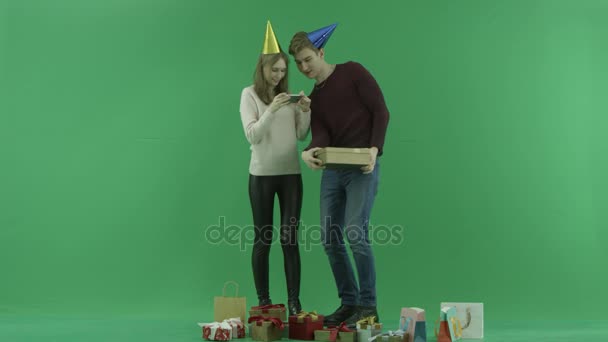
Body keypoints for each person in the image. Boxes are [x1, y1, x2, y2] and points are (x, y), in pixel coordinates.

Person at [288, 23, 390, 326]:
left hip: (362, 167)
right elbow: (321, 135)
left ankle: (368, 306)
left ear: (321, 52)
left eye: (308, 59)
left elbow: (380, 112)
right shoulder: (315, 98)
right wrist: (308, 152)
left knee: (356, 233)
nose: (304, 67)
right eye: (299, 63)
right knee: (329, 238)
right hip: (333, 171)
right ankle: (348, 303)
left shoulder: (353, 72)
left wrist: (374, 149)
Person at [240, 21, 311, 316]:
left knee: (290, 238)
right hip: (261, 177)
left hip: (291, 176)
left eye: (283, 71)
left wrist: (305, 110)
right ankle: (265, 301)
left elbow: (301, 135)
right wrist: (271, 109)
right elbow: (253, 134)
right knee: (263, 239)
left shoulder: (290, 98)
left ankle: (294, 302)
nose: (279, 75)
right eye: (275, 70)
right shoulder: (249, 95)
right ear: (264, 68)